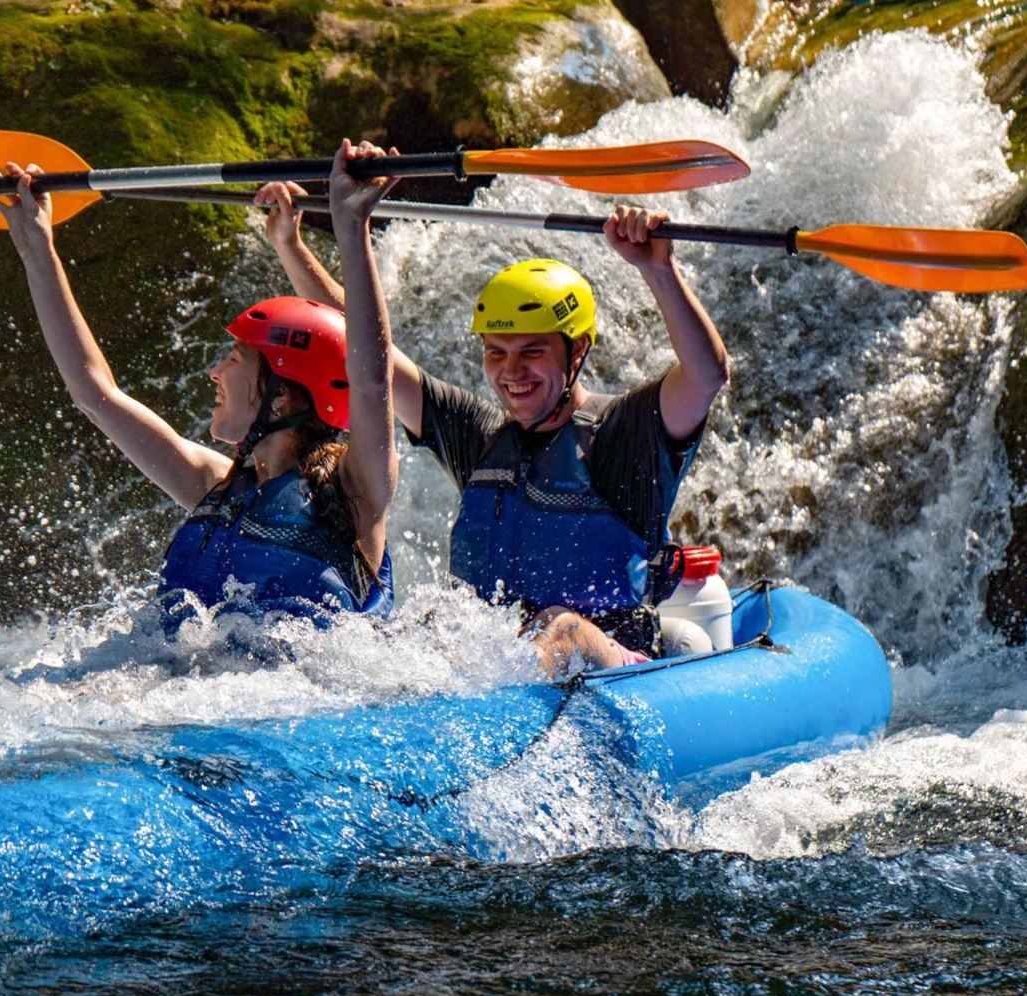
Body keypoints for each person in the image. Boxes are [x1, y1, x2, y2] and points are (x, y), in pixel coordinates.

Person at [258, 183, 728, 675]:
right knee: (434, 621)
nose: (511, 372)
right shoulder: (481, 439)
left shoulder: (623, 434)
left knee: (560, 626)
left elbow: (706, 375)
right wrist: (294, 245)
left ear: (578, 350)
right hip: (501, 671)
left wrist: (657, 269)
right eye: (496, 353)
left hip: (615, 665)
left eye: (532, 352)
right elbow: (368, 347)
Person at [0, 140, 400, 633]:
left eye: (235, 359)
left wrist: (352, 226)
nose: (214, 373)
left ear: (282, 395)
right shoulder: (217, 486)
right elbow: (96, 395)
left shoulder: (355, 494)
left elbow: (371, 381)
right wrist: (36, 246)